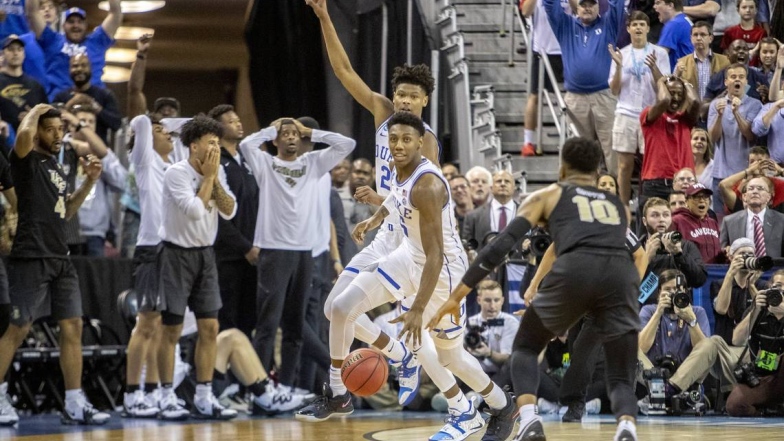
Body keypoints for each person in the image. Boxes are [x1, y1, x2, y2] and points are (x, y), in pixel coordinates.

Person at [298, 113, 518, 441]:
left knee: (448, 355)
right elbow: (398, 200)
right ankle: (338, 393)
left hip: (443, 272)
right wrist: (374, 218)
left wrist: (417, 308)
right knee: (342, 308)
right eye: (394, 139)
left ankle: (495, 407)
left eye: (406, 140)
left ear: (420, 144)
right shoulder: (398, 171)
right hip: (408, 258)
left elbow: (435, 255)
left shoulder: (427, 185)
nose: (399, 145)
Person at [431, 137, 642, 441]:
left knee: (526, 347)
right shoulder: (617, 205)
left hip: (575, 271)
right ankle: (626, 427)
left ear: (562, 166)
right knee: (621, 374)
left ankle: (529, 420)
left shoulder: (550, 194)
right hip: (619, 279)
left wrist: (457, 295)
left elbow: (499, 248)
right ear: (597, 170)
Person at [307, 0, 443, 411]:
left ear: (424, 101)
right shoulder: (383, 112)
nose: (402, 101)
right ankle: (396, 356)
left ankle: (341, 387)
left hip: (414, 241)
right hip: (387, 230)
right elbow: (344, 72)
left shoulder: (428, 142)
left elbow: (429, 202)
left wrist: (383, 202)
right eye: (400, 93)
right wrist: (326, 17)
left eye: (411, 96)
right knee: (334, 308)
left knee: (352, 308)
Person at [0, 104, 108, 426]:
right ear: (37, 132)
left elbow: (67, 211)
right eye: (50, 129)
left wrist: (88, 182)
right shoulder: (25, 161)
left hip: (61, 258)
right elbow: (22, 136)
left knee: (73, 326)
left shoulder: (58, 167)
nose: (58, 134)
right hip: (31, 256)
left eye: (60, 129)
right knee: (17, 329)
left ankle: (74, 402)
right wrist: (35, 110)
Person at [238, 118, 355, 406]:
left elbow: (347, 144)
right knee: (268, 325)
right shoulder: (265, 164)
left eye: (294, 134)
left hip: (305, 253)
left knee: (294, 326)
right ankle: (260, 390)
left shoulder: (312, 163)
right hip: (274, 251)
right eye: (284, 134)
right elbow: (245, 144)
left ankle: (285, 388)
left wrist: (310, 132)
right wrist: (270, 128)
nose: (290, 138)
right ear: (275, 141)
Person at [156, 115, 238, 420]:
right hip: (175, 255)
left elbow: (230, 211)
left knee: (210, 327)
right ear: (194, 146)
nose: (216, 146)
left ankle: (204, 396)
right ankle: (165, 396)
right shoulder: (176, 174)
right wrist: (207, 179)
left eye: (218, 141)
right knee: (172, 329)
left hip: (206, 256)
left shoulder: (215, 173)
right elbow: (193, 211)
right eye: (211, 142)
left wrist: (214, 179)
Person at [120, 112, 188, 420]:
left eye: (171, 133)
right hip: (150, 249)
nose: (170, 135)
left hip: (173, 250)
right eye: (164, 132)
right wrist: (159, 122)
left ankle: (159, 392)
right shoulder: (145, 162)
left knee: (162, 325)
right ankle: (132, 394)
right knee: (145, 323)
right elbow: (141, 121)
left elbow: (190, 129)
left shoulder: (173, 165)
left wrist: (171, 128)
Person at [545, 0, 624, 172]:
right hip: (575, 98)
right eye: (583, 4)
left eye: (592, 3)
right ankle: (582, 188)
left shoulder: (609, 23)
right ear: (576, 7)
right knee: (580, 150)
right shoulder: (565, 26)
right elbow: (550, 5)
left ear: (599, 6)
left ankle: (614, 191)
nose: (587, 8)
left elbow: (618, 3)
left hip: (605, 96)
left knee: (611, 147)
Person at [207, 104, 259, 338]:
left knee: (248, 319)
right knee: (226, 318)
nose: (238, 123)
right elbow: (217, 213)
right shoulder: (215, 160)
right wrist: (244, 247)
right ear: (218, 128)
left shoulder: (247, 160)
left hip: (254, 252)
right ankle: (221, 374)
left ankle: (246, 374)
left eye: (238, 119)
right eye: (231, 120)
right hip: (229, 254)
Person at [609, 11, 671, 204]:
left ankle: (647, 203)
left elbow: (664, 86)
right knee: (624, 165)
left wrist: (653, 68)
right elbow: (614, 90)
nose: (638, 28)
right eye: (634, 24)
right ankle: (624, 207)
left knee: (649, 164)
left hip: (650, 114)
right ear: (628, 29)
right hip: (625, 112)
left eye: (641, 24)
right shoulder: (621, 54)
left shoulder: (659, 53)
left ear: (647, 28)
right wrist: (619, 66)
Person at [638, 75, 700, 232]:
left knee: (682, 232)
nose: (676, 98)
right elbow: (664, 101)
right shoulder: (649, 115)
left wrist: (685, 82)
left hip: (683, 185)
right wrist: (660, 81)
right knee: (648, 233)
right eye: (672, 92)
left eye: (680, 94)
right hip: (655, 184)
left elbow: (696, 102)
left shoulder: (685, 119)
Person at [26, 0, 123, 100]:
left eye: (79, 22)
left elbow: (115, 14)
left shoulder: (97, 41)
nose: (75, 25)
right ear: (64, 26)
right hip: (59, 103)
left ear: (85, 25)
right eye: (71, 22)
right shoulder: (52, 41)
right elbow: (32, 13)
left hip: (94, 101)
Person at [725, 270, 784, 416]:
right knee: (735, 404)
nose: (782, 291)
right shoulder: (758, 310)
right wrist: (756, 309)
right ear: (769, 288)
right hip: (763, 375)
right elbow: (736, 340)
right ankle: (766, 411)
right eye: (778, 286)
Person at [708, 63, 764, 216]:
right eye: (733, 77)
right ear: (726, 82)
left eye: (741, 77)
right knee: (721, 222)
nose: (737, 80)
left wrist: (736, 112)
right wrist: (720, 115)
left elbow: (750, 135)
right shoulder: (715, 105)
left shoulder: (755, 104)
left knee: (746, 220)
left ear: (746, 82)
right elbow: (713, 138)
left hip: (746, 174)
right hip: (721, 174)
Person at [639, 269, 711, 370]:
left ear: (685, 291)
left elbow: (704, 354)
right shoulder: (649, 311)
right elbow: (641, 349)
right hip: (653, 373)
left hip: (685, 374)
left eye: (677, 289)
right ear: (659, 292)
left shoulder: (697, 312)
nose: (673, 293)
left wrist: (691, 320)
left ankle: (676, 383)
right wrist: (658, 314)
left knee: (712, 346)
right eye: (668, 289)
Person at [52, 54, 122, 143]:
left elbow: (116, 124)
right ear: (69, 70)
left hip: (98, 151)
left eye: (84, 65)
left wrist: (93, 104)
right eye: (75, 66)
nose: (79, 69)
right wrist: (71, 103)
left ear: (90, 69)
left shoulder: (105, 95)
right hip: (68, 150)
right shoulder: (61, 97)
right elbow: (53, 123)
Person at [640, 197, 707, 290]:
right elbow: (626, 284)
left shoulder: (686, 246)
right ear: (644, 221)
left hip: (679, 302)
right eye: (655, 215)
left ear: (671, 218)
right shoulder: (635, 248)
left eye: (666, 215)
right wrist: (646, 259)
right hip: (645, 303)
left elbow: (699, 280)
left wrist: (679, 255)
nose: (661, 219)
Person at [711, 238, 764, 344]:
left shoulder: (761, 285)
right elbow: (721, 309)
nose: (746, 257)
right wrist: (730, 274)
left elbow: (762, 312)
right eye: (742, 253)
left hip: (752, 347)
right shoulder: (718, 284)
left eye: (750, 254)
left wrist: (751, 285)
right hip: (725, 344)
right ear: (731, 257)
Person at [465, 280, 519, 380]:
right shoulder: (469, 323)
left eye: (496, 300)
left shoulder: (510, 323)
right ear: (478, 300)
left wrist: (488, 353)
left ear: (502, 301)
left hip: (500, 375)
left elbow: (510, 360)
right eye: (487, 300)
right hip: (473, 374)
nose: (492, 306)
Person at [720, 177, 784, 259]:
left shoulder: (781, 220)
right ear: (744, 196)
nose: (755, 191)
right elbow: (722, 251)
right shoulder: (729, 221)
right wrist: (727, 251)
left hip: (773, 270)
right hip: (741, 270)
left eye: (760, 189)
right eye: (751, 188)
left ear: (768, 197)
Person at [462, 170, 518, 253]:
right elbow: (467, 246)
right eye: (499, 181)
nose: (503, 184)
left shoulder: (526, 212)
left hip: (519, 263)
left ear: (514, 188)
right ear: (491, 188)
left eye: (507, 181)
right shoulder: (473, 216)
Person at [0, 34, 48, 131]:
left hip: (31, 137)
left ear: (24, 54)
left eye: (19, 49)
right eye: (11, 49)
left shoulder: (35, 86)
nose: (15, 53)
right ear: (2, 54)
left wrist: (32, 118)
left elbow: (46, 117)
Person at [674, 22, 730, 102]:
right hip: (691, 110)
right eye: (695, 35)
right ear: (691, 38)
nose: (699, 38)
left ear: (710, 38)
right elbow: (674, 89)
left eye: (703, 35)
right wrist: (677, 74)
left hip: (717, 108)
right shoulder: (681, 62)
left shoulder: (725, 61)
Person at [671, 183, 723, 263]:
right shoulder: (677, 221)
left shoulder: (712, 222)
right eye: (696, 197)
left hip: (714, 272)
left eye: (705, 197)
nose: (702, 200)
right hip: (690, 272)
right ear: (686, 202)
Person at [705, 39, 770, 101]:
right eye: (737, 49)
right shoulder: (716, 79)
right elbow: (703, 107)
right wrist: (719, 99)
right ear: (728, 55)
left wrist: (767, 98)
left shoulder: (760, 77)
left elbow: (770, 104)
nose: (741, 51)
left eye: (745, 49)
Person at [654, 0, 694, 71]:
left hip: (681, 77)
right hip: (690, 72)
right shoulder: (684, 20)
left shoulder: (674, 24)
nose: (654, 7)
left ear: (670, 5)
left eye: (658, 3)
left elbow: (659, 55)